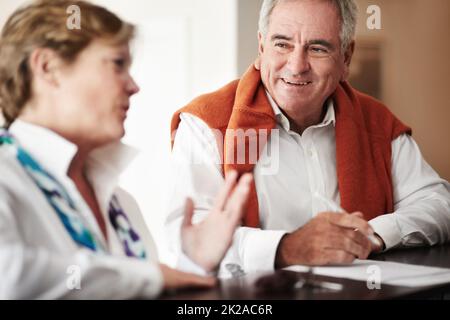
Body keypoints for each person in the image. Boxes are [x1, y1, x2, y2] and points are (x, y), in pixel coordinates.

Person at [167, 0, 450, 276]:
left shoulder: (376, 121)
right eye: (282, 44)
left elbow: (439, 205)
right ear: (261, 46)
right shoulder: (204, 125)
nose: (297, 65)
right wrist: (286, 248)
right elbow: (189, 241)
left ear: (346, 58)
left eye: (317, 48)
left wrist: (370, 235)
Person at [0, 0, 252, 299]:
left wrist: (193, 265)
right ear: (48, 67)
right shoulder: (7, 178)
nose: (134, 86)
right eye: (118, 64)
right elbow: (9, 279)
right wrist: (151, 276)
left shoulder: (120, 201)